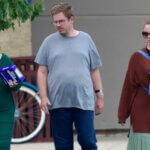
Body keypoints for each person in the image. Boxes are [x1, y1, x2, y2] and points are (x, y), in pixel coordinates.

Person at [35, 2, 104, 150]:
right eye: (55, 21)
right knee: (63, 146)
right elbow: (42, 71)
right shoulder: (49, 42)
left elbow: (94, 70)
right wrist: (43, 96)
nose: (57, 25)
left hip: (83, 101)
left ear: (71, 19)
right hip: (58, 103)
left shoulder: (86, 39)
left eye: (61, 21)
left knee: (89, 142)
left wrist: (99, 95)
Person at [118, 19, 150, 150]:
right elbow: (128, 87)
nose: (148, 37)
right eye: (145, 34)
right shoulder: (137, 57)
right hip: (142, 110)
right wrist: (122, 113)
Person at [0, 53, 22, 150]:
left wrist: (14, 84)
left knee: (3, 145)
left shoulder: (4, 59)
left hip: (4, 110)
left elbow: (18, 83)